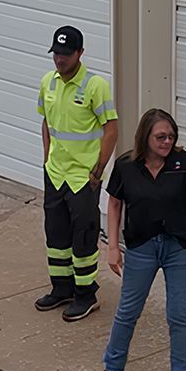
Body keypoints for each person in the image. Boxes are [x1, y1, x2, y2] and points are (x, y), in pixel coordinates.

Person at [93, 109, 186, 371]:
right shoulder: (126, 165)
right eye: (161, 137)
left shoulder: (183, 163)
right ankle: (112, 367)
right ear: (146, 137)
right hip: (142, 247)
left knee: (178, 315)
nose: (167, 142)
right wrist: (112, 246)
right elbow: (114, 205)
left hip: (178, 247)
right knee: (128, 310)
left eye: (171, 136)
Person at [35, 24, 120, 321]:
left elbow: (111, 129)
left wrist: (97, 170)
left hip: (83, 177)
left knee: (82, 236)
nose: (60, 59)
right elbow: (46, 122)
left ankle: (86, 294)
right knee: (56, 234)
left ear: (80, 53)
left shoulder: (96, 86)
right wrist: (46, 158)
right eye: (56, 53)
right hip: (56, 174)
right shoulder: (48, 82)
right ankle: (62, 288)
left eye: (66, 54)